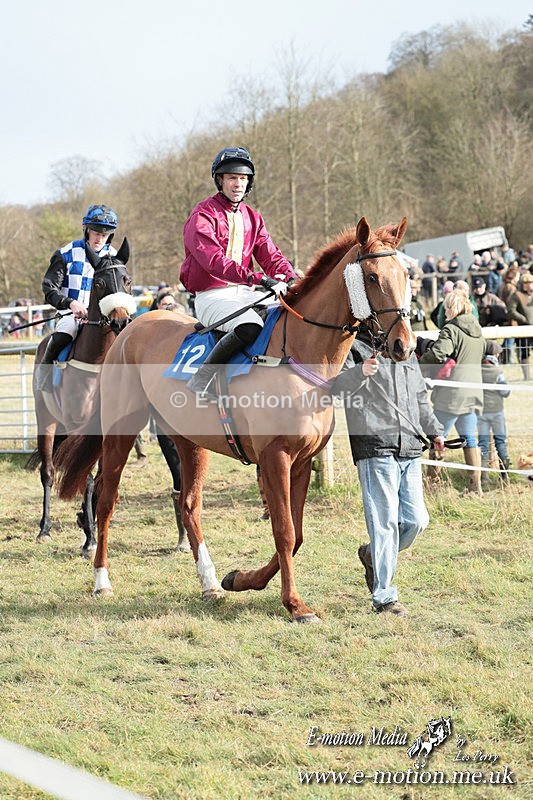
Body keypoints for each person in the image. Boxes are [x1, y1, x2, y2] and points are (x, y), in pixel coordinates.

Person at [333, 324, 444, 617]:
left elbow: (420, 397)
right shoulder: (353, 345)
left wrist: (434, 430)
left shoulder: (404, 345)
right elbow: (335, 389)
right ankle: (384, 598)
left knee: (416, 521)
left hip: (410, 446)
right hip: (374, 444)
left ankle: (371, 555)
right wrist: (359, 373)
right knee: (384, 524)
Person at [179, 146, 297, 399]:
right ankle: (203, 378)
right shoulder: (202, 215)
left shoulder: (253, 217)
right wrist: (261, 279)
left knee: (286, 315)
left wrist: (291, 278)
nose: (238, 184)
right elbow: (214, 262)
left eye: (243, 179)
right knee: (250, 325)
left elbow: (270, 255)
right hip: (212, 296)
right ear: (220, 180)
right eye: (232, 178)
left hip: (244, 293)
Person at [37, 204, 118, 391]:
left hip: (103, 318)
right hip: (70, 316)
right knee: (67, 331)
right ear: (86, 230)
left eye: (104, 234)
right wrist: (70, 303)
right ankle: (44, 371)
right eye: (96, 233)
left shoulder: (113, 258)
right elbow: (49, 288)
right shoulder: (65, 253)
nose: (99, 238)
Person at [419, 289, 485, 495]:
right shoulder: (478, 329)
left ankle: (432, 486)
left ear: (453, 308)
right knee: (469, 438)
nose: (444, 311)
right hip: (473, 391)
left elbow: (438, 353)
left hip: (452, 394)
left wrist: (418, 364)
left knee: (438, 437)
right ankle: (476, 487)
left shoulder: (451, 330)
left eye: (446, 307)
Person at [477, 340, 510, 485]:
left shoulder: (476, 370)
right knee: (501, 442)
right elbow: (505, 392)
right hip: (497, 412)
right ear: (495, 354)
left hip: (481, 413)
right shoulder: (498, 372)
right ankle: (505, 476)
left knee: (482, 444)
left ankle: (483, 478)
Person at [507, 272, 533, 381]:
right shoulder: (516, 295)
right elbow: (511, 311)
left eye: (531, 282)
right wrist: (523, 320)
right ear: (523, 284)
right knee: (524, 353)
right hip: (524, 329)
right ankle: (527, 377)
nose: (530, 285)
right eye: (527, 283)